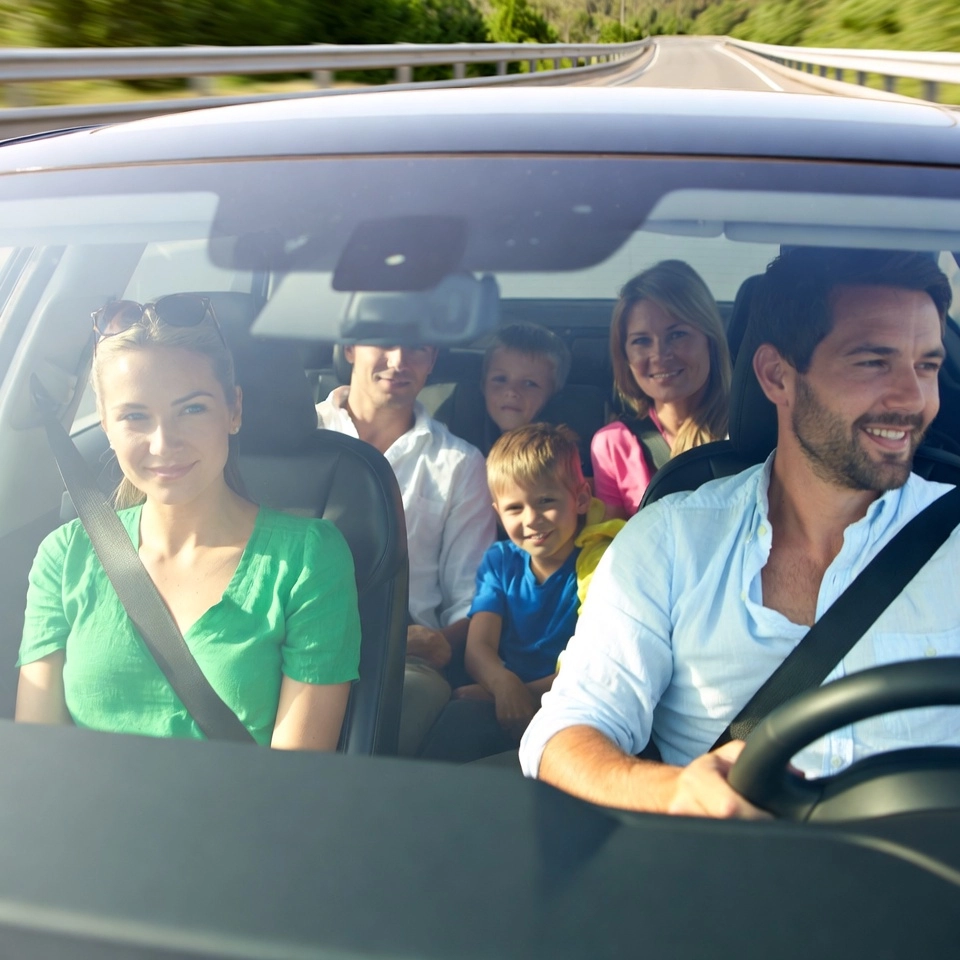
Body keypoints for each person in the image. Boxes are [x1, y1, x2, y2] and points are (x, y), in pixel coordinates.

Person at [519, 247, 960, 818]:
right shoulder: (670, 540)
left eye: (927, 366)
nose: (914, 399)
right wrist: (672, 792)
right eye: (873, 362)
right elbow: (562, 733)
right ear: (777, 375)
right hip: (734, 868)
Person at [17, 296, 361, 749]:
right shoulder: (65, 555)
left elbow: (292, 780)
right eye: (135, 416)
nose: (164, 443)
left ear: (234, 410)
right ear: (105, 424)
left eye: (192, 409)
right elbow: (38, 758)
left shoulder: (307, 559)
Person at [317, 342, 496, 754]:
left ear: (432, 359)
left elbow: (470, 601)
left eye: (416, 348)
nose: (399, 361)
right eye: (384, 340)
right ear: (349, 347)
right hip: (287, 637)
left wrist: (436, 642)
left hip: (401, 657)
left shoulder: (460, 463)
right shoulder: (301, 432)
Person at [420, 423, 622, 762]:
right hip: (503, 698)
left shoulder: (601, 562)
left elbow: (598, 665)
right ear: (498, 514)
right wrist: (503, 686)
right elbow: (478, 647)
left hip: (575, 703)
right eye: (515, 508)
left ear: (581, 499)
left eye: (546, 501)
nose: (532, 519)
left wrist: (515, 696)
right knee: (455, 723)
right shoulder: (500, 561)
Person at [591, 260, 732, 519]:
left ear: (710, 340)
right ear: (625, 356)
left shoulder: (746, 431)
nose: (659, 355)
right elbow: (611, 540)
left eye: (677, 335)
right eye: (641, 341)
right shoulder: (613, 445)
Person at [481, 323, 572, 442]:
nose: (511, 391)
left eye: (529, 383)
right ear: (483, 385)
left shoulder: (557, 451)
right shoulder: (465, 445)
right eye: (500, 379)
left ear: (553, 395)